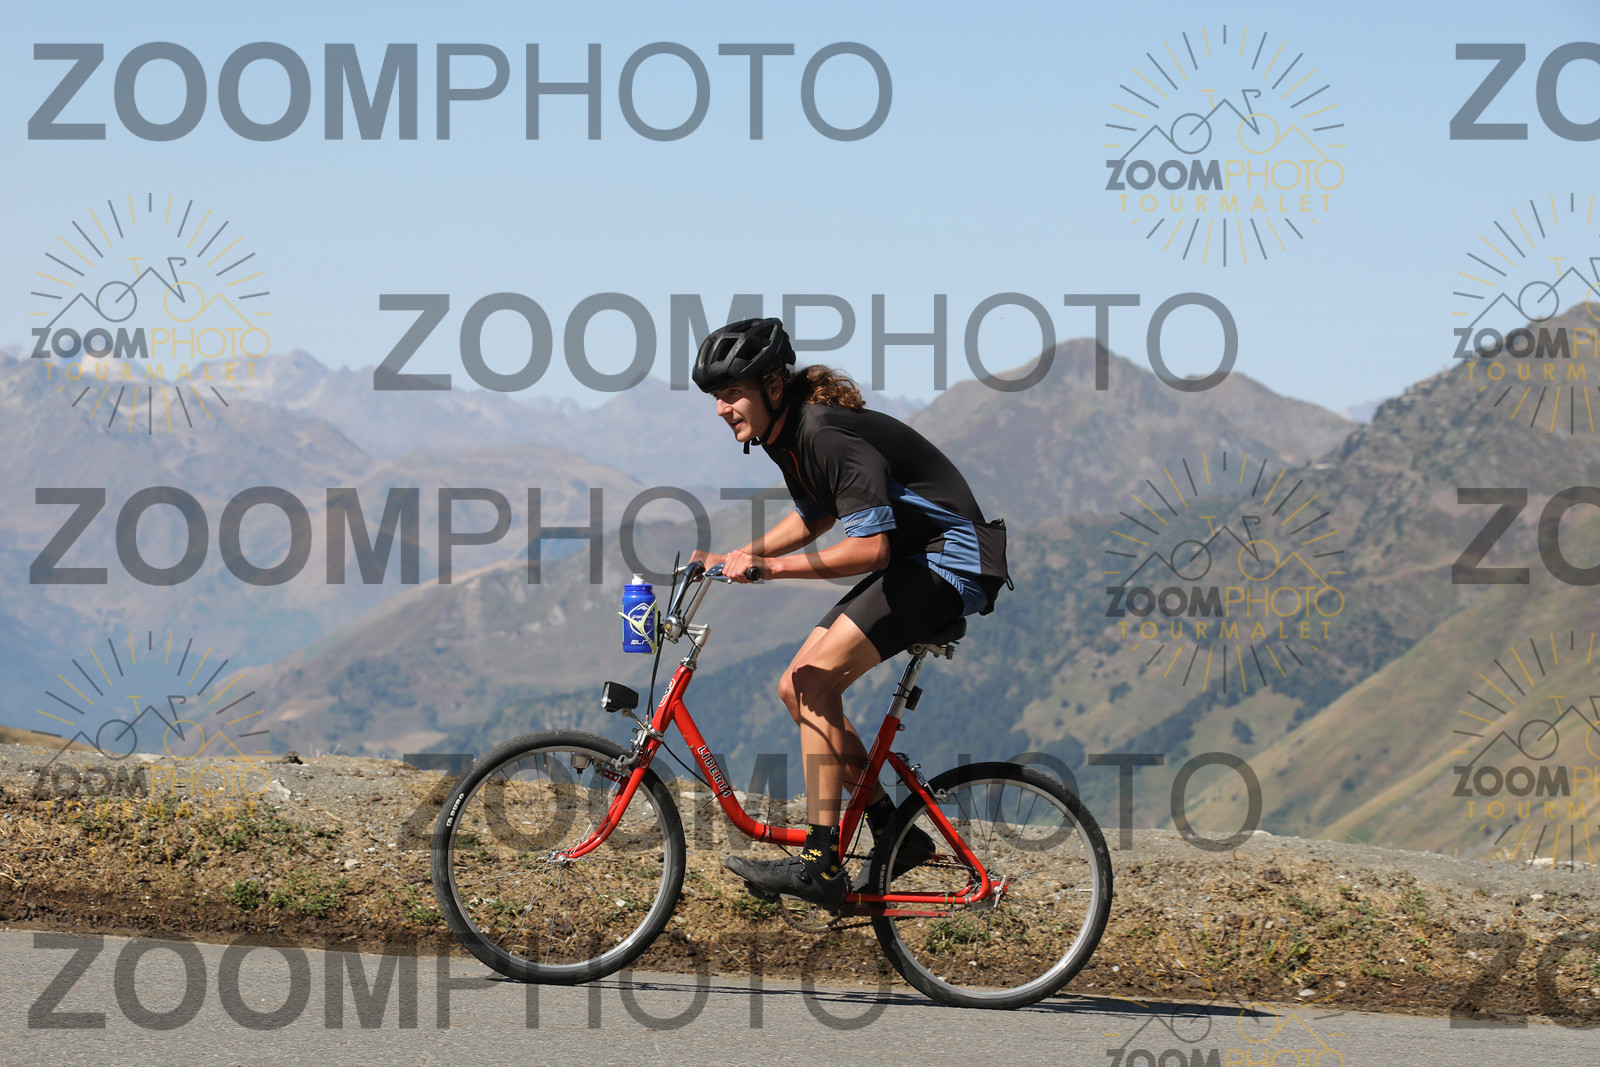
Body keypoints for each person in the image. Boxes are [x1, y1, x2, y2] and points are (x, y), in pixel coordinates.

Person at [690, 317, 1009, 912]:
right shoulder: (784, 436)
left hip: (953, 561)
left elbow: (872, 549)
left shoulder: (823, 432)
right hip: (917, 560)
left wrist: (771, 569)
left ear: (772, 386)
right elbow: (816, 515)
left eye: (732, 393)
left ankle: (820, 861)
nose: (721, 409)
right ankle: (892, 829)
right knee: (795, 686)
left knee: (814, 682)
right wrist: (739, 555)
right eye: (715, 396)